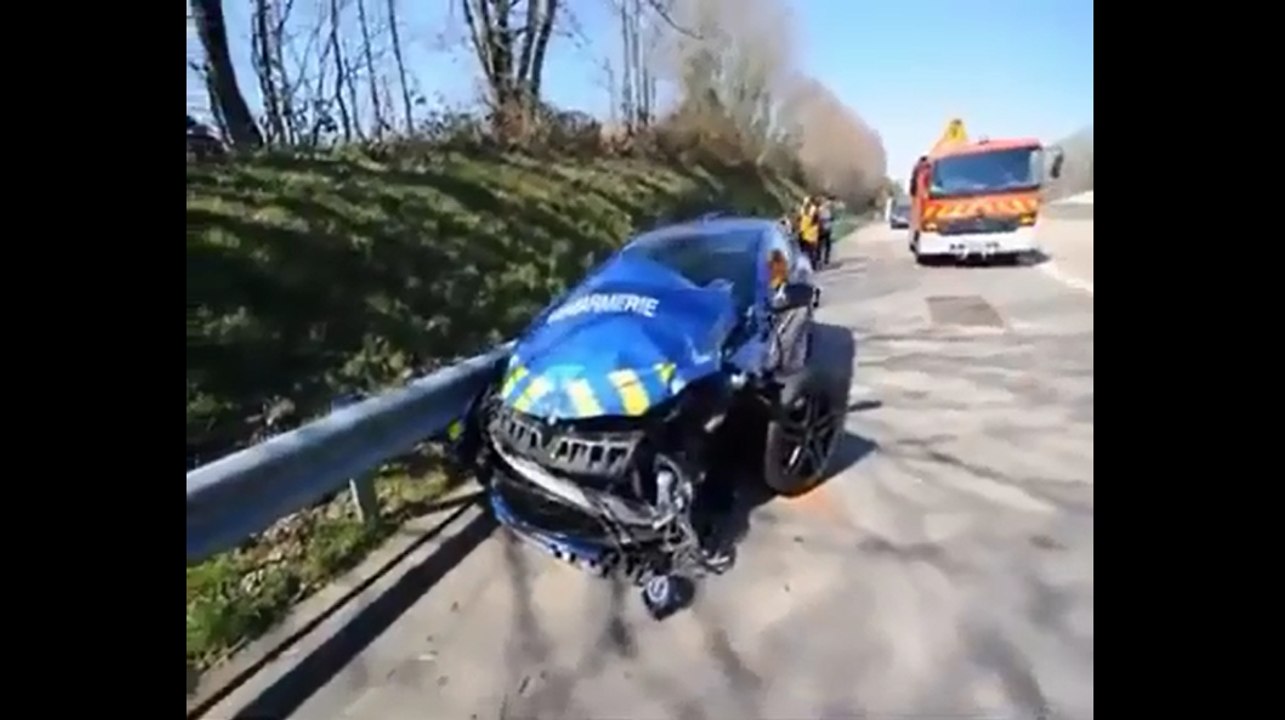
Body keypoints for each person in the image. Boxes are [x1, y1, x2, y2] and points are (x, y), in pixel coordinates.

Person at [797, 197, 821, 267]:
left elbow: (814, 220)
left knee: (810, 249)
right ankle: (813, 262)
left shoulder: (811, 211)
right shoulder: (805, 211)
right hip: (807, 232)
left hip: (809, 232)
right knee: (809, 249)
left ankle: (813, 262)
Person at [817, 196, 834, 268]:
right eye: (825, 202)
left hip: (828, 229)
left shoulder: (828, 210)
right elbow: (820, 220)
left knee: (828, 245)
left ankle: (826, 259)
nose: (828, 204)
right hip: (822, 229)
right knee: (820, 245)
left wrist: (830, 220)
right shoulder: (820, 210)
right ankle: (819, 260)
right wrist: (828, 219)